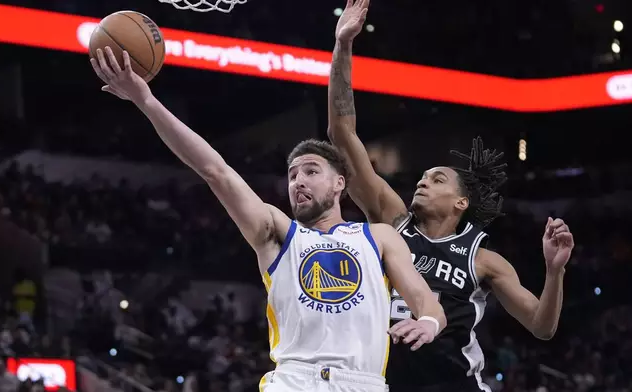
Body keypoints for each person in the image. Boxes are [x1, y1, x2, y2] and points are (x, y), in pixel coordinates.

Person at [90, 47, 446, 392]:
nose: (298, 181)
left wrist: (428, 322)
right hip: (295, 381)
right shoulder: (277, 232)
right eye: (292, 175)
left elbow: (424, 299)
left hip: (362, 383)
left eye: (311, 171)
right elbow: (216, 171)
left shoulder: (379, 236)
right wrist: (147, 101)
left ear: (340, 183)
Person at [326, 1, 575, 391]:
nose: (422, 183)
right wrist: (343, 46)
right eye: (422, 177)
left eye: (437, 179)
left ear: (461, 202)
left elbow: (542, 327)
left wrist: (555, 271)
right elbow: (341, 134)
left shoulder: (484, 259)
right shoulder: (393, 220)